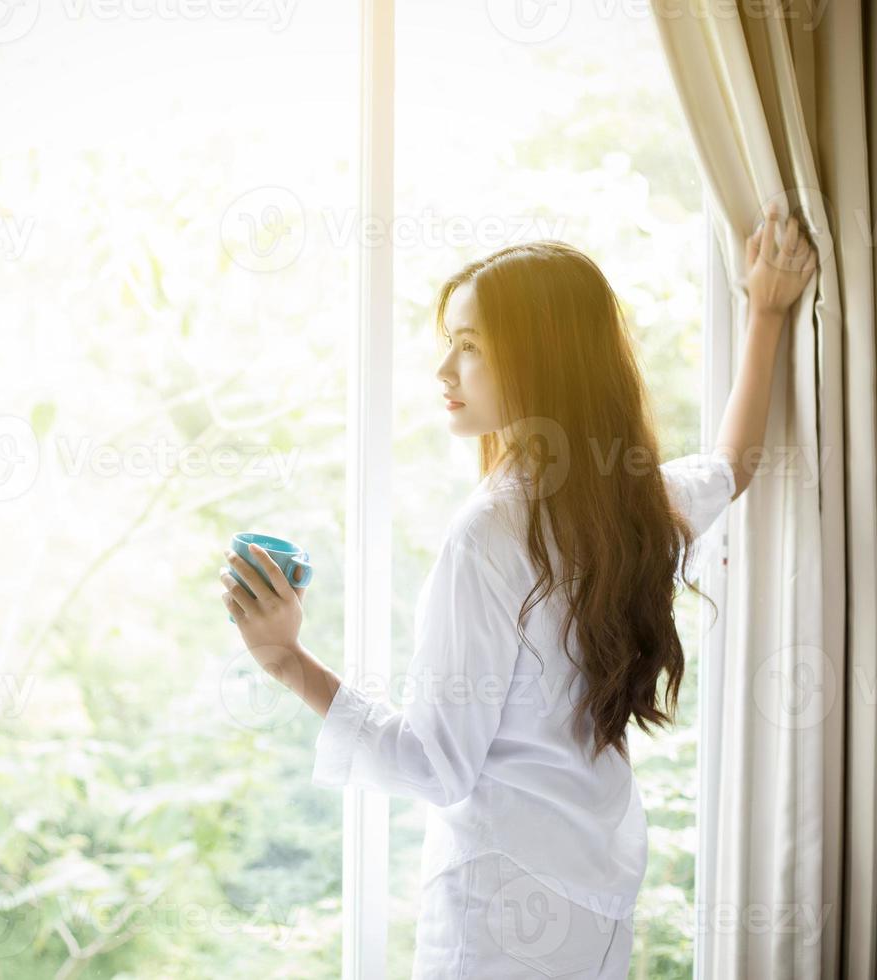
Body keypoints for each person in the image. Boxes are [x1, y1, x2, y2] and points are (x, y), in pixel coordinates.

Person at [218, 207, 818, 978]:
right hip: (597, 898)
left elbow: (433, 767)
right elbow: (735, 465)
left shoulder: (487, 538)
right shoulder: (633, 506)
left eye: (468, 349)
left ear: (539, 361)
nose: (443, 373)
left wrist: (282, 658)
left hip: (497, 917)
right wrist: (766, 311)